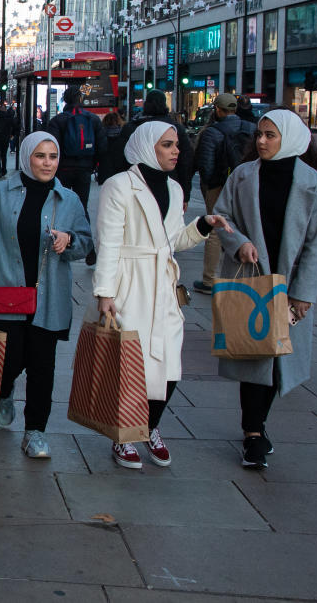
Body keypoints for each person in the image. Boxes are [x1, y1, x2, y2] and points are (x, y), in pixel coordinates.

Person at [93, 122, 231, 469]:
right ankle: (123, 433)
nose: (176, 151)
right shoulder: (118, 186)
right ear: (146, 147)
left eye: (177, 145)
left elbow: (171, 243)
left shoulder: (173, 187)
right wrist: (105, 292)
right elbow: (107, 241)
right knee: (129, 363)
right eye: (167, 145)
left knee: (169, 364)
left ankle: (150, 426)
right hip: (130, 282)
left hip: (163, 284)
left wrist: (203, 226)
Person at [213, 110, 317, 469]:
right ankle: (253, 432)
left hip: (290, 282)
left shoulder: (313, 183)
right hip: (253, 279)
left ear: (290, 138)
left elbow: (315, 243)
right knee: (255, 356)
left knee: (279, 362)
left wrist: (304, 293)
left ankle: (258, 426)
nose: (261, 141)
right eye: (259, 134)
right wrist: (240, 242)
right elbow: (221, 217)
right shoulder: (244, 176)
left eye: (270, 135)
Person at [0, 132, 93, 458]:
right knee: (9, 361)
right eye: (40, 156)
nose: (47, 163)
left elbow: (86, 244)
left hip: (49, 298)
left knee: (42, 367)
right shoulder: (1, 194)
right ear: (26, 158)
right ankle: (4, 392)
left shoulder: (69, 200)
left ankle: (35, 432)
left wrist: (69, 240)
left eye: (52, 156)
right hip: (8, 294)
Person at [192, 93, 256, 295]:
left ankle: (210, 279)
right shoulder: (250, 128)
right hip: (246, 184)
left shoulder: (212, 132)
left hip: (219, 185)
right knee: (245, 226)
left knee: (215, 229)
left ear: (217, 110)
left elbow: (206, 164)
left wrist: (210, 185)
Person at [46, 85, 106, 265]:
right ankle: (89, 248)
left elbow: (52, 146)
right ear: (81, 99)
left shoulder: (58, 120)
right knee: (82, 207)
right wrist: (93, 165)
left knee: (58, 205)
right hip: (84, 170)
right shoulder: (92, 119)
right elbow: (102, 148)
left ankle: (55, 241)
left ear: (65, 100)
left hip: (63, 169)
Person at [117, 90, 195, 199]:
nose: (175, 150)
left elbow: (120, 159)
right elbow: (186, 163)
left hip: (135, 185)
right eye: (167, 145)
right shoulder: (175, 129)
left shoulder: (131, 127)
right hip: (168, 186)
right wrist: (185, 194)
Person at [95, 111, 127, 185]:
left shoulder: (101, 134)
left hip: (105, 169)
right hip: (121, 170)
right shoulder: (124, 133)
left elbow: (98, 152)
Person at [0, 100, 17, 178]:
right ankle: (4, 169)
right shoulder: (8, 118)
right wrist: (12, 134)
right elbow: (15, 126)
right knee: (3, 155)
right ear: (5, 109)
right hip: (5, 138)